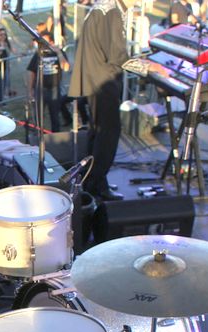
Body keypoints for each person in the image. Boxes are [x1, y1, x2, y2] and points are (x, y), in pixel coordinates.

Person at [69, 0, 129, 202]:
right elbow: (119, 56)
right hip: (104, 82)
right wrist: (149, 67)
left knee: (97, 133)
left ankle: (92, 182)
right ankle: (97, 185)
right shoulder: (112, 13)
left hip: (94, 80)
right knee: (108, 134)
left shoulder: (100, 8)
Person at [26, 30, 68, 132]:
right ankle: (38, 134)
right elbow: (31, 72)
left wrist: (59, 53)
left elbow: (66, 67)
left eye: (45, 41)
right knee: (39, 116)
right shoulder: (38, 54)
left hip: (54, 89)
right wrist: (30, 90)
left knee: (55, 116)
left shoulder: (59, 53)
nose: (43, 44)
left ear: (51, 42)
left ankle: (55, 135)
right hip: (40, 89)